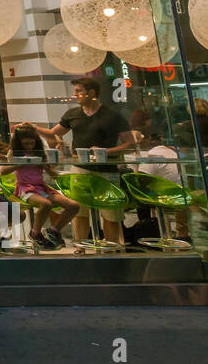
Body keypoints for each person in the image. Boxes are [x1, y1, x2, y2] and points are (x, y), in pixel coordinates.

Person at [23, 76, 132, 247]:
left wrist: (105, 152)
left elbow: (129, 143)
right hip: (80, 169)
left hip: (107, 170)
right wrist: (34, 128)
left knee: (110, 215)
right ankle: (81, 248)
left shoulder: (113, 116)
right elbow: (53, 133)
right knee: (79, 213)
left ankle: (112, 249)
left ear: (91, 93)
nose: (75, 95)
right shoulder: (72, 114)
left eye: (79, 91)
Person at [8, 125, 79, 250]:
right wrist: (21, 163)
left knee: (74, 206)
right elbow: (3, 171)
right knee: (46, 204)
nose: (29, 146)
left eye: (32, 143)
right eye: (26, 144)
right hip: (25, 188)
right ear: (19, 143)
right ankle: (35, 233)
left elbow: (53, 174)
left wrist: (49, 163)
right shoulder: (14, 154)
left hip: (42, 188)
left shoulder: (39, 154)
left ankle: (54, 230)